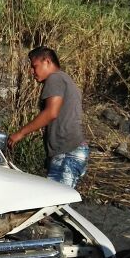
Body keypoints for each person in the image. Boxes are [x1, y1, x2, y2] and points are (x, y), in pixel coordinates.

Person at [7, 47, 88, 188]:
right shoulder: (65, 79)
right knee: (56, 203)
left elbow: (51, 113)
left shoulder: (55, 78)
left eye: (34, 66)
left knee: (55, 203)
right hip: (71, 150)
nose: (31, 72)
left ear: (47, 61)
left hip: (68, 152)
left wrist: (20, 133)